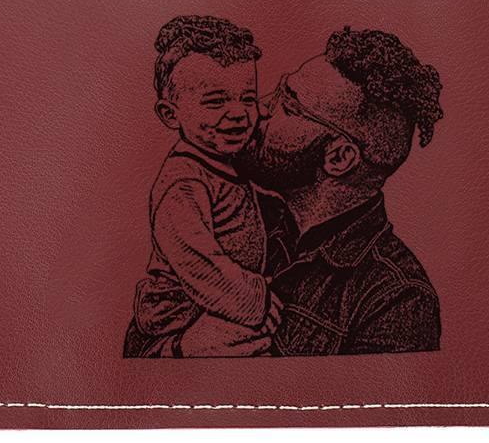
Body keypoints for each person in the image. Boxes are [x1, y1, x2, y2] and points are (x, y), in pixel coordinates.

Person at [177, 26, 444, 356]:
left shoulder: (396, 299)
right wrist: (179, 349)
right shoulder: (229, 210)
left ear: (339, 157)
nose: (260, 108)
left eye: (289, 105)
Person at [122, 15, 280, 358]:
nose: (238, 114)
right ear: (171, 114)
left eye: (248, 98)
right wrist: (256, 301)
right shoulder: (184, 182)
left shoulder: (223, 157)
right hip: (178, 316)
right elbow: (199, 264)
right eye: (215, 101)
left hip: (217, 304)